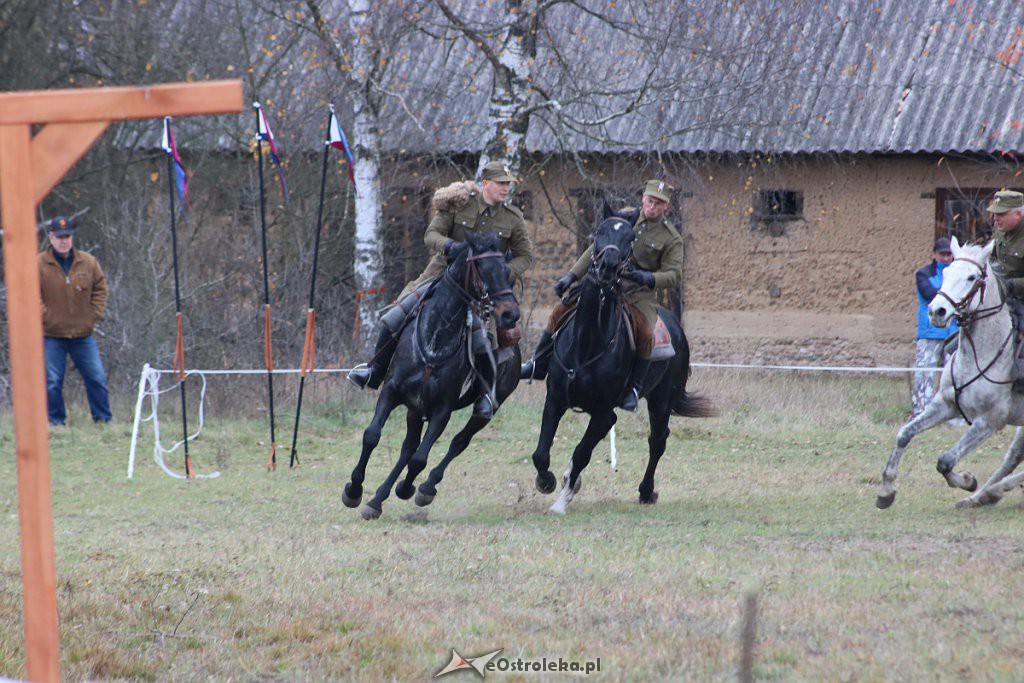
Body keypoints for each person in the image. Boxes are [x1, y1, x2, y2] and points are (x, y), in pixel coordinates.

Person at [348, 160, 534, 418]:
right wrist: (451, 247)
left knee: (490, 337)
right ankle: (374, 371)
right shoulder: (459, 204)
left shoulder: (512, 218)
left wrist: (501, 274)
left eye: (508, 185)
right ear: (486, 184)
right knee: (397, 313)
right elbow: (431, 234)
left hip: (484, 288)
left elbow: (526, 256)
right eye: (501, 184)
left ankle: (484, 396)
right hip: (441, 275)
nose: (506, 189)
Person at [521, 179, 684, 411]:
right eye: (650, 201)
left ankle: (634, 388)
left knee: (646, 333)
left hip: (639, 294)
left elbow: (674, 274)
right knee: (560, 311)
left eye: (659, 203)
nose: (653, 206)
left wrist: (649, 278)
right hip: (604, 284)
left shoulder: (671, 237)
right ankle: (537, 363)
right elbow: (595, 248)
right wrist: (571, 276)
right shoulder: (624, 218)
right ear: (643, 199)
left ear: (666, 206)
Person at [38, 213, 112, 425]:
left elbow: (100, 289)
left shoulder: (89, 262)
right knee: (52, 381)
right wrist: (45, 316)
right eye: (59, 237)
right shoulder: (39, 264)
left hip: (83, 334)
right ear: (51, 238)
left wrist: (93, 315)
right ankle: (55, 422)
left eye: (67, 236)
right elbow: (30, 294)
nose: (64, 241)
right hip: (52, 335)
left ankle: (103, 421)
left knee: (96, 378)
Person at [911, 236, 957, 417]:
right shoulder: (923, 274)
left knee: (953, 377)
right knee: (924, 375)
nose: (946, 258)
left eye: (949, 255)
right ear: (934, 254)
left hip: (953, 331)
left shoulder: (957, 273)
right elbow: (930, 294)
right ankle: (920, 413)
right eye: (943, 254)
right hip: (930, 332)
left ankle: (953, 415)